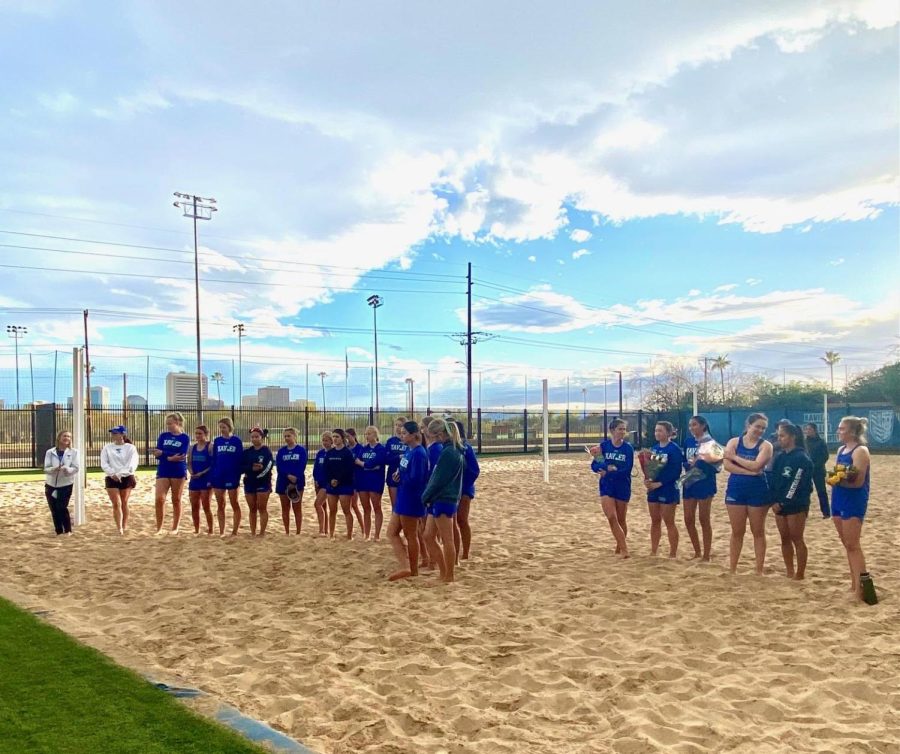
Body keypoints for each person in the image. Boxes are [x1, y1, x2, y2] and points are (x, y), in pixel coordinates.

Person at [723, 413, 773, 574]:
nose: (760, 430)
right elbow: (727, 466)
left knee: (757, 531)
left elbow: (757, 465)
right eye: (757, 426)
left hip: (757, 491)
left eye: (763, 428)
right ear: (748, 425)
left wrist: (735, 457)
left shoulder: (766, 446)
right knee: (737, 531)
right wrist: (749, 471)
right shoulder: (734, 441)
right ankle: (732, 568)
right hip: (736, 489)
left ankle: (758, 569)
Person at [830, 416, 872, 601]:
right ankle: (854, 583)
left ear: (853, 431)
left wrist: (836, 480)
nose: (839, 431)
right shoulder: (841, 449)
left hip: (853, 499)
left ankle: (862, 589)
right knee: (846, 543)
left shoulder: (860, 451)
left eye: (842, 429)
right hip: (838, 498)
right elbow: (839, 474)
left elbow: (858, 483)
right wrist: (834, 478)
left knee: (854, 545)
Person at [422, 418, 466, 583]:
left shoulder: (449, 452)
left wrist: (426, 496)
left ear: (440, 434)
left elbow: (438, 479)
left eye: (433, 435)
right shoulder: (452, 450)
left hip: (444, 498)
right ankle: (444, 571)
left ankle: (449, 575)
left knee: (447, 539)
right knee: (428, 536)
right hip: (442, 497)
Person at [387, 421, 428, 581]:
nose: (401, 435)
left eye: (404, 433)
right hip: (403, 496)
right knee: (392, 533)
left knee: (411, 534)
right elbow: (405, 471)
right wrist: (398, 475)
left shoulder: (419, 453)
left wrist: (402, 476)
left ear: (413, 435)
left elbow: (417, 479)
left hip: (411, 498)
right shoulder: (409, 451)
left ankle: (412, 569)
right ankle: (406, 565)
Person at [771, 423, 813, 580]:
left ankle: (800, 573)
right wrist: (774, 500)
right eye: (779, 436)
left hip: (796, 505)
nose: (779, 439)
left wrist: (784, 502)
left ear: (793, 437)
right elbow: (774, 480)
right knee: (784, 538)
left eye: (782, 435)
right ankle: (789, 570)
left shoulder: (802, 458)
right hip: (779, 504)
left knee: (797, 538)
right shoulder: (780, 457)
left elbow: (797, 483)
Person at [590, 419, 633, 558]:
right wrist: (602, 469)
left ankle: (619, 547)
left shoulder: (628, 448)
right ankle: (625, 550)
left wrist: (610, 472)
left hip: (622, 485)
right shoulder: (604, 446)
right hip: (607, 486)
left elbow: (627, 469)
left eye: (624, 429)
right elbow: (594, 465)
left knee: (621, 519)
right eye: (620, 429)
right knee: (611, 517)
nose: (622, 432)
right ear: (612, 430)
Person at [681, 416, 720, 561]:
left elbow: (718, 466)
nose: (692, 428)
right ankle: (697, 551)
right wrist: (689, 465)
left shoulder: (711, 442)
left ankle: (706, 554)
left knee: (704, 519)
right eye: (690, 425)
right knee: (688, 519)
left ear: (703, 426)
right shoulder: (688, 441)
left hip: (705, 482)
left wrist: (700, 463)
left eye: (695, 425)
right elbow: (684, 460)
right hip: (689, 482)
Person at [644, 421, 683, 558]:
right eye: (656, 430)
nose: (657, 433)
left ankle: (673, 553)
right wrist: (648, 479)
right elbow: (651, 469)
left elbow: (676, 472)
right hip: (654, 489)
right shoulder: (654, 448)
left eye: (660, 430)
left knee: (669, 521)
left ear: (668, 432)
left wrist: (659, 483)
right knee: (655, 520)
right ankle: (654, 550)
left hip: (668, 488)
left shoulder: (674, 449)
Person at [152, 412, 190, 535]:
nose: (168, 426)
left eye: (170, 423)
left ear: (178, 423)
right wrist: (167, 456)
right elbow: (157, 453)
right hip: (163, 469)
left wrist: (163, 453)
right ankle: (159, 528)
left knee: (176, 499)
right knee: (159, 499)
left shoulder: (184, 437)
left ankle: (175, 527)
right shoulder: (163, 436)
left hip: (178, 470)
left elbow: (181, 455)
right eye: (167, 424)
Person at [100, 425, 138, 535]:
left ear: (122, 434)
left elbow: (132, 464)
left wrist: (121, 473)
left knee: (124, 502)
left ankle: (124, 525)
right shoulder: (107, 447)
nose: (113, 435)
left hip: (126, 477)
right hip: (112, 477)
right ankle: (119, 528)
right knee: (116, 503)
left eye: (116, 433)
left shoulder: (130, 448)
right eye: (112, 433)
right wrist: (112, 473)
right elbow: (104, 463)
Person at [211, 418, 244, 536]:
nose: (221, 430)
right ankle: (221, 531)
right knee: (220, 504)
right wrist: (213, 474)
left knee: (234, 502)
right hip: (219, 475)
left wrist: (237, 474)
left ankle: (235, 531)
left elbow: (240, 459)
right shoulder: (217, 441)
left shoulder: (236, 441)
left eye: (224, 427)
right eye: (220, 427)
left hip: (232, 475)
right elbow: (214, 459)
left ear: (229, 427)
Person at [454, 420, 480, 561]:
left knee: (462, 520)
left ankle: (465, 552)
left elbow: (475, 470)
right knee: (452, 522)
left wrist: (463, 486)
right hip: (451, 489)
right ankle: (455, 552)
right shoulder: (446, 447)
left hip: (464, 489)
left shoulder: (465, 448)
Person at [43, 430, 78, 536]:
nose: (67, 438)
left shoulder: (74, 452)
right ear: (59, 438)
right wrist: (54, 469)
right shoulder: (50, 452)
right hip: (51, 484)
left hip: (66, 484)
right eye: (64, 436)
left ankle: (68, 530)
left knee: (61, 507)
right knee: (53, 508)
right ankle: (58, 530)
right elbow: (46, 468)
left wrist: (67, 470)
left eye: (69, 436)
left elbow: (76, 468)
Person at [354, 426, 387, 541]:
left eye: (369, 434)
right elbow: (357, 461)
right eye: (365, 434)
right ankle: (366, 534)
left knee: (376, 507)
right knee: (366, 508)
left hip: (375, 481)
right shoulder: (363, 449)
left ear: (375, 435)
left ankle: (376, 535)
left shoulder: (381, 449)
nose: (367, 436)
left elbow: (376, 463)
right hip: (363, 480)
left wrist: (363, 464)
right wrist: (366, 465)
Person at [242, 427, 273, 536]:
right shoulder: (247, 452)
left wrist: (259, 473)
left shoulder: (266, 451)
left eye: (257, 437)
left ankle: (262, 532)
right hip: (249, 482)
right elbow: (241, 467)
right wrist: (251, 468)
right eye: (252, 437)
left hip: (263, 482)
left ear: (262, 438)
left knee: (262, 508)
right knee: (252, 508)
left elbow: (269, 466)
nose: (254, 439)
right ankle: (253, 532)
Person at [275, 427, 307, 535]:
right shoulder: (281, 451)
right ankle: (287, 532)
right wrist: (288, 475)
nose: (287, 438)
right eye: (285, 436)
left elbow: (302, 465)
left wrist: (295, 477)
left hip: (297, 482)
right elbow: (279, 466)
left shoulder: (301, 450)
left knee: (297, 507)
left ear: (294, 436)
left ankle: (298, 532)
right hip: (283, 481)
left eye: (289, 436)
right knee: (285, 508)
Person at [326, 429, 357, 539]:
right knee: (332, 510)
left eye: (337, 437)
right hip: (332, 485)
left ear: (343, 438)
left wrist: (338, 480)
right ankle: (331, 534)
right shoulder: (330, 452)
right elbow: (326, 469)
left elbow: (348, 470)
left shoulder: (347, 453)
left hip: (344, 484)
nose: (334, 439)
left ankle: (349, 535)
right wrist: (331, 480)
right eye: (333, 436)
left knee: (346, 510)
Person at [187, 425, 214, 535]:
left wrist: (202, 473)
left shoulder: (210, 446)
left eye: (200, 433)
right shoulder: (192, 447)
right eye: (196, 433)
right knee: (194, 506)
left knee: (206, 505)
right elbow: (188, 463)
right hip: (194, 479)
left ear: (206, 434)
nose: (197, 436)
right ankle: (196, 529)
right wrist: (191, 472)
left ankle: (210, 529)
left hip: (205, 479)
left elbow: (213, 464)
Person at [804, 423, 830, 518]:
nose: (807, 431)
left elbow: (825, 456)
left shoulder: (821, 442)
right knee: (805, 492)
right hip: (806, 471)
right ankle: (804, 512)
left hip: (818, 471)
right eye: (806, 429)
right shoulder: (804, 442)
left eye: (809, 429)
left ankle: (826, 513)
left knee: (821, 492)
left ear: (815, 430)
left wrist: (815, 465)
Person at [344, 428, 366, 533]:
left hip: (357, 479)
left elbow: (361, 462)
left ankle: (363, 528)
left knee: (354, 505)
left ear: (354, 436)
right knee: (348, 506)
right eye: (346, 437)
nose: (347, 439)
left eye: (348, 436)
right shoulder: (346, 448)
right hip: (347, 478)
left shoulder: (360, 448)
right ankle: (351, 530)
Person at [384, 416, 408, 510]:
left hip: (406, 475)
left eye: (400, 425)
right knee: (395, 506)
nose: (397, 427)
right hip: (392, 474)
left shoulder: (408, 440)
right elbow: (386, 459)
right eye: (396, 425)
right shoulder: (390, 441)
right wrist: (398, 457)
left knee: (406, 505)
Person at [312, 431, 332, 536]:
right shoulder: (320, 453)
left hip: (327, 484)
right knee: (323, 507)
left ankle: (321, 530)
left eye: (327, 440)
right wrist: (315, 479)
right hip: (318, 483)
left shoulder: (333, 453)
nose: (325, 442)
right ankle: (325, 529)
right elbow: (316, 468)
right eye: (323, 440)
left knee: (317, 504)